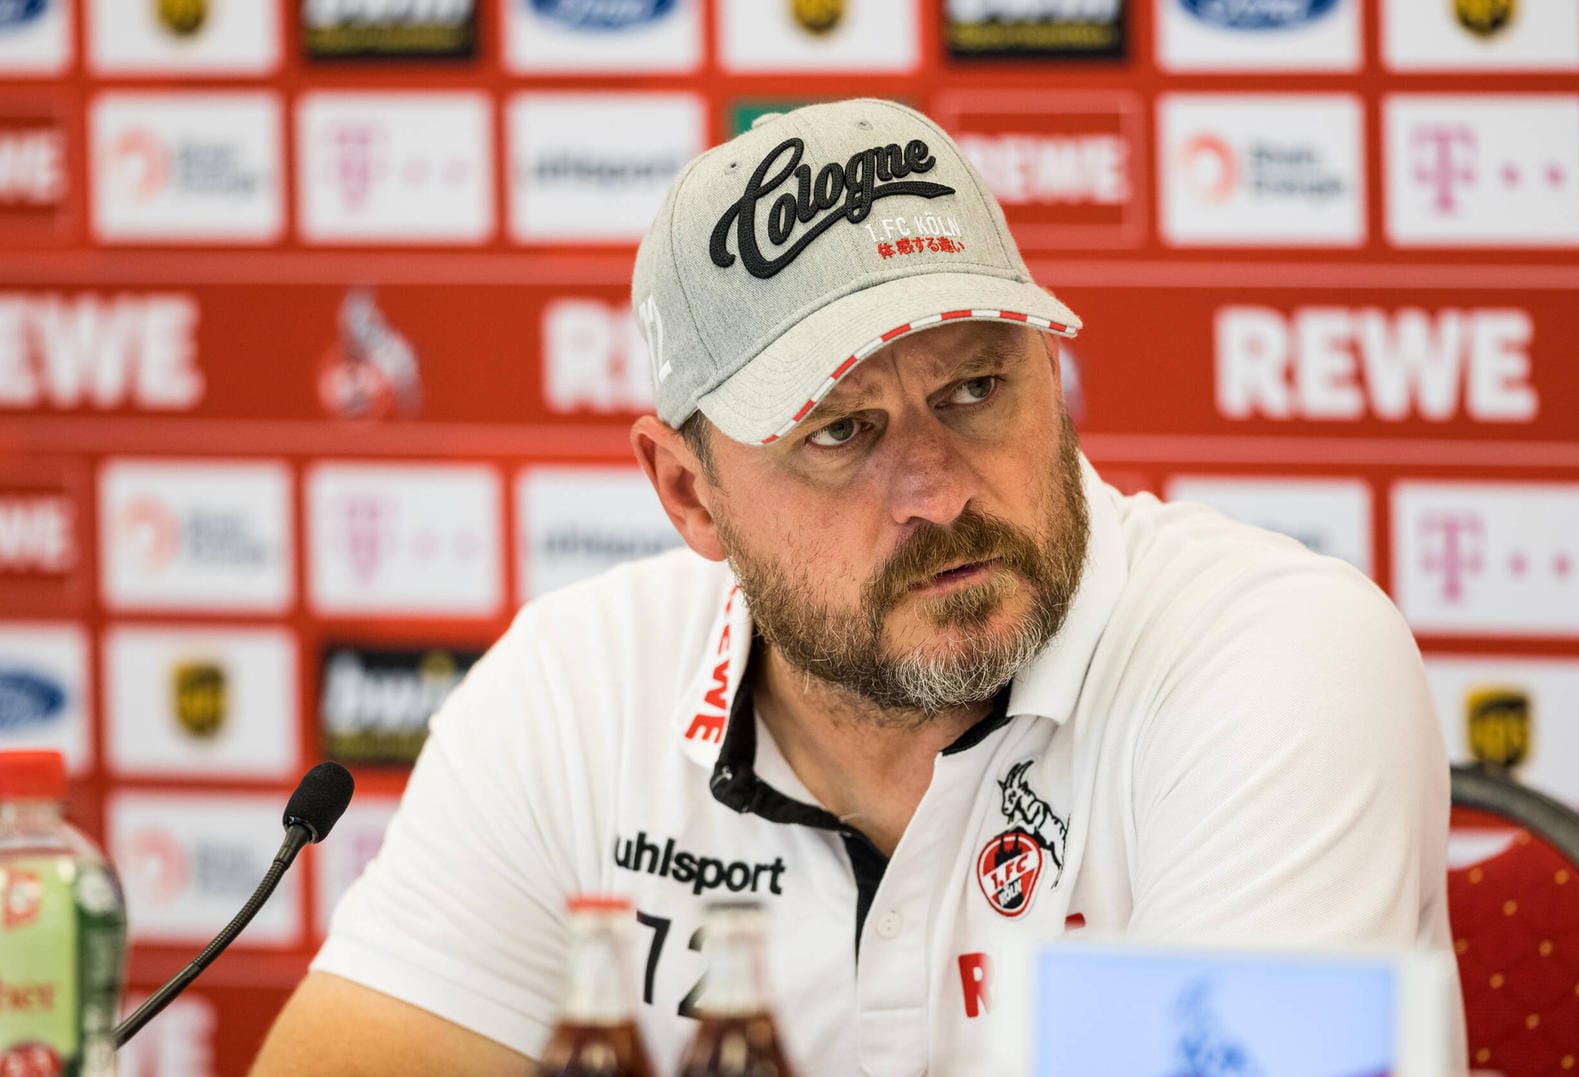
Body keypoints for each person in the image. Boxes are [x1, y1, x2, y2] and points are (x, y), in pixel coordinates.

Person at [251, 99, 1460, 1076]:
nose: (935, 489)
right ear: (688, 493)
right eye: (840, 433)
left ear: (1051, 375)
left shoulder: (1275, 659)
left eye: (977, 390)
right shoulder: (573, 690)